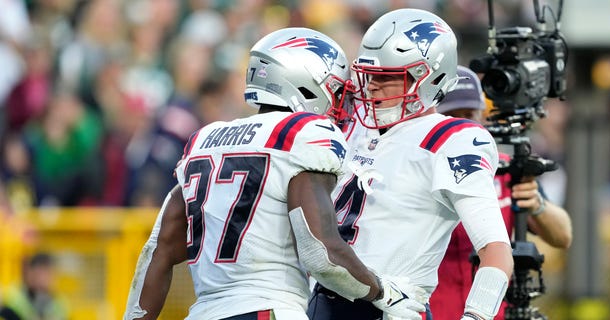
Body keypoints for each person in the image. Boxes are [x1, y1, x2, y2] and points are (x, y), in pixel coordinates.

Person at [123, 27, 427, 320]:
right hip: (268, 309)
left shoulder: (205, 139)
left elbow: (158, 250)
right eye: (335, 90)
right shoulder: (303, 134)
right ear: (307, 85)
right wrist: (383, 291)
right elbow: (319, 252)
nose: (339, 105)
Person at [307, 8, 514, 320]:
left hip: (389, 309)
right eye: (369, 76)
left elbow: (496, 251)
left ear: (431, 79)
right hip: (319, 303)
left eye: (387, 78)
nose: (372, 86)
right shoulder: (355, 127)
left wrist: (476, 316)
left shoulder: (451, 139)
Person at [429, 65, 573, 319]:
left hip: (492, 312)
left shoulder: (505, 168)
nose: (463, 125)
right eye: (453, 116)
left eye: (470, 114)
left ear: (483, 116)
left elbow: (563, 236)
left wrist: (537, 205)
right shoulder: (418, 171)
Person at [0, 252, 69, 320]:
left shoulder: (59, 305)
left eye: (46, 275)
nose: (42, 279)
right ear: (29, 274)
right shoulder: (13, 301)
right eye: (38, 274)